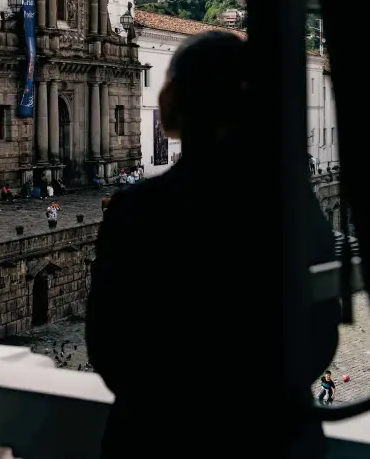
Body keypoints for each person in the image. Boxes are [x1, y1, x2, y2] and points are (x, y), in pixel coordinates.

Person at [86, 32, 339, 458]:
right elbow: (319, 336)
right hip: (272, 438)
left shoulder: (137, 212)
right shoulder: (293, 205)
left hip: (155, 438)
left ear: (171, 105)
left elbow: (108, 346)